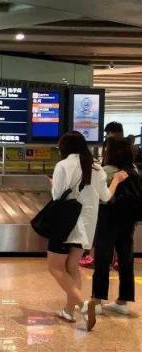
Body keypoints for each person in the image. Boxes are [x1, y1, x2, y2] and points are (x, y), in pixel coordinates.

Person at [46, 131, 127, 331]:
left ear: (65, 148)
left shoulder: (63, 165)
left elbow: (57, 196)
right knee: (72, 267)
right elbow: (105, 197)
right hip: (86, 227)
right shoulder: (97, 168)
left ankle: (83, 305)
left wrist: (53, 184)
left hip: (64, 225)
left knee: (55, 268)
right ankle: (68, 311)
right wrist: (116, 180)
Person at [91, 138, 141, 316]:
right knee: (126, 259)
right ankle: (123, 301)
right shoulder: (134, 170)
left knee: (102, 259)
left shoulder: (107, 171)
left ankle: (97, 301)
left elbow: (99, 195)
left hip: (108, 217)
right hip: (128, 220)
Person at [81, 121, 128, 269]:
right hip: (125, 206)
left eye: (108, 133)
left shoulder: (107, 168)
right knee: (122, 235)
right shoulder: (128, 161)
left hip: (107, 207)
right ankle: (118, 260)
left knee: (101, 233)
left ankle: (95, 258)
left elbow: (101, 192)